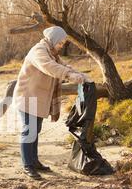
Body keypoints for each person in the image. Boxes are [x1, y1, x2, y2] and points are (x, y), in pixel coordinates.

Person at [13, 26, 93, 180]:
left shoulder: (52, 53)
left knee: (35, 131)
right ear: (53, 40)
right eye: (60, 43)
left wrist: (78, 74)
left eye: (63, 43)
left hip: (38, 97)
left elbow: (62, 66)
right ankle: (27, 165)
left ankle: (34, 161)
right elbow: (49, 67)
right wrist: (69, 75)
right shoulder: (39, 51)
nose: (62, 46)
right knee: (28, 132)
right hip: (27, 97)